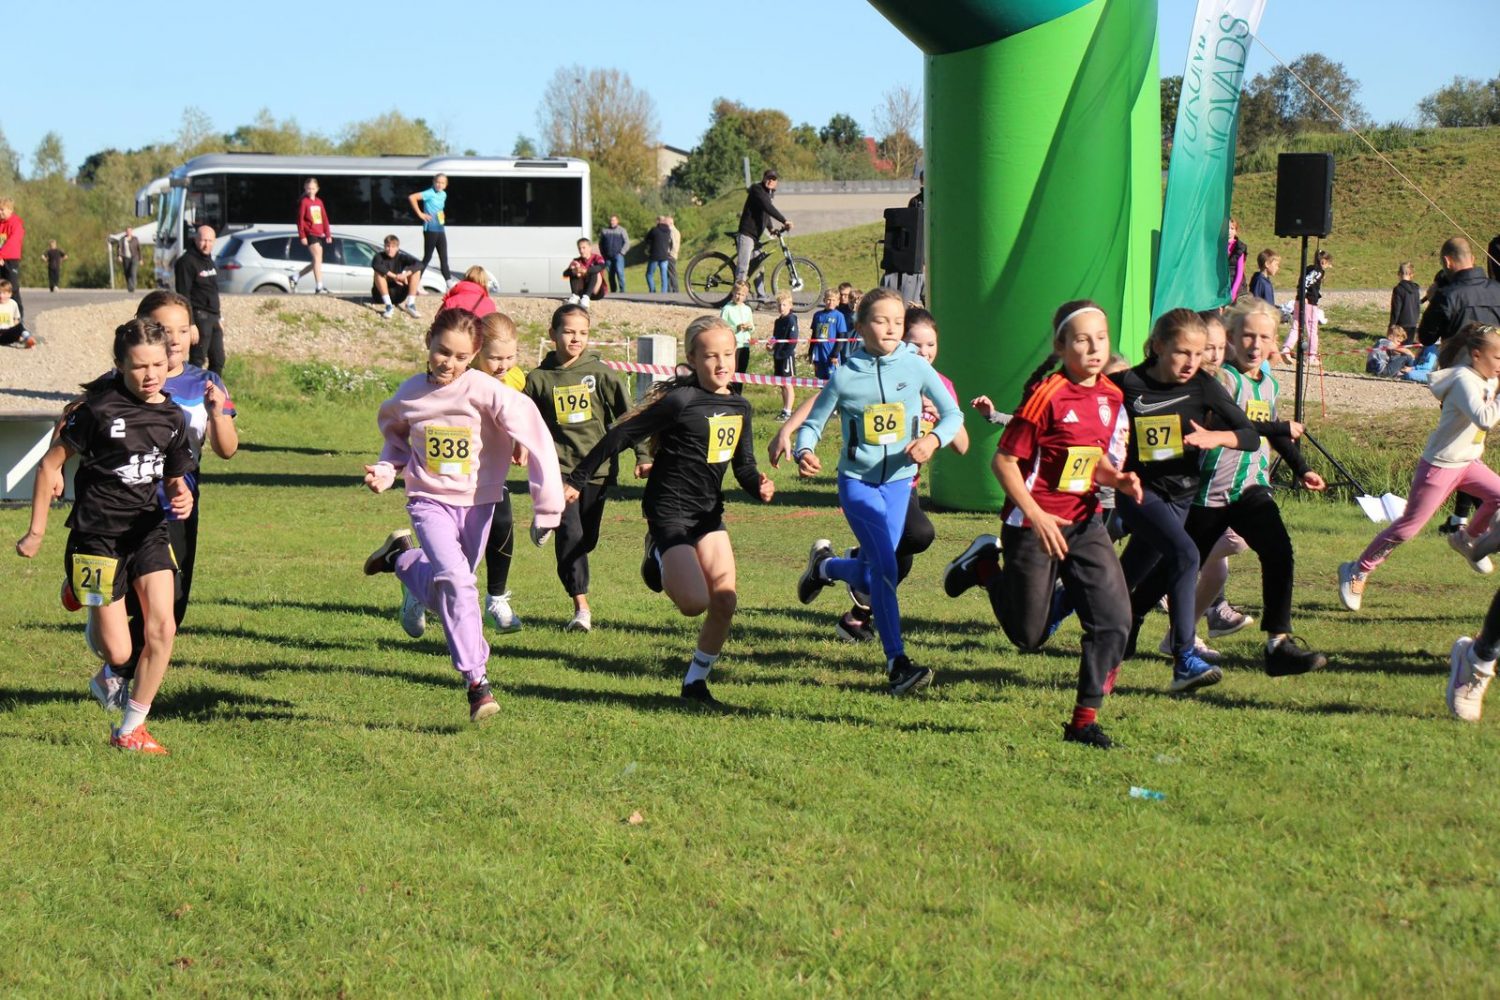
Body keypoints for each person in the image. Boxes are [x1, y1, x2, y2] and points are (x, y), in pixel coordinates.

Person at [942, 301, 1139, 747]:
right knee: (1029, 635)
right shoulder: (1047, 395)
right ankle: (985, 567)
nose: (1094, 348)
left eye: (1101, 338)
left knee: (1114, 620)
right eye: (1082, 340)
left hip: (1085, 521)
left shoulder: (1111, 397)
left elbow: (1092, 461)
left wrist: (1118, 479)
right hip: (1031, 523)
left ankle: (1083, 723)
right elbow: (1004, 462)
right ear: (1061, 346)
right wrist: (1035, 514)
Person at [362, 309, 563, 722]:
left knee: (455, 591)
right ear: (428, 343)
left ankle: (401, 559)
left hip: (477, 503)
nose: (448, 363)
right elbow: (395, 441)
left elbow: (535, 433)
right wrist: (385, 469)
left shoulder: (487, 391)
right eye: (442, 352)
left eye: (459, 356)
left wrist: (547, 507)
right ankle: (477, 684)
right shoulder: (409, 394)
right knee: (458, 582)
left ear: (473, 356)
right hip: (427, 501)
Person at [564, 315, 776, 705]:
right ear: (692, 359)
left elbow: (743, 465)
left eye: (728, 354)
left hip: (707, 514)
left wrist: (757, 484)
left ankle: (695, 683)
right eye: (711, 356)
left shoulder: (741, 406)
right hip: (669, 511)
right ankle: (656, 553)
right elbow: (621, 433)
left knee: (725, 600)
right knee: (694, 603)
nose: (721, 363)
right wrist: (578, 479)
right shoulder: (682, 401)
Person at [15, 318, 194, 753]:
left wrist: (181, 494)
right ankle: (80, 589)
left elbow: (173, 478)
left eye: (158, 365)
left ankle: (131, 728)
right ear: (119, 365)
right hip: (96, 538)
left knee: (163, 628)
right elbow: (49, 464)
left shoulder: (173, 417)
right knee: (118, 653)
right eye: (139, 366)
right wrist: (36, 532)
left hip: (147, 530)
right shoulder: (98, 410)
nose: (150, 375)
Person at [1132, 300, 1329, 676]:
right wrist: (1278, 427)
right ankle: (1132, 616)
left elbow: (1273, 431)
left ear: (1274, 342)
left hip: (1250, 488)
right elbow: (1236, 425)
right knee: (1179, 564)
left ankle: (1278, 645)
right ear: (1232, 338)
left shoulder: (1268, 384)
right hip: (1209, 492)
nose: (1256, 344)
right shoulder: (1221, 380)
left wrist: (1302, 468)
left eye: (1265, 337)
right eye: (1248, 336)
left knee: (1279, 550)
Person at [791, 287, 962, 695]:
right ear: (861, 325)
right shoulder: (846, 375)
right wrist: (804, 449)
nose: (891, 329)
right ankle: (897, 663)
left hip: (900, 484)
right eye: (881, 321)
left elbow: (953, 415)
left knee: (876, 571)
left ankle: (824, 567)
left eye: (897, 322)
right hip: (859, 484)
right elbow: (813, 423)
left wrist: (933, 439)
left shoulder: (916, 367)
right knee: (885, 567)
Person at [90, 290, 239, 708]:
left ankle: (113, 670)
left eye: (181, 329)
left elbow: (228, 449)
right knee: (138, 601)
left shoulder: (207, 383)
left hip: (177, 507)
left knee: (173, 606)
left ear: (193, 333)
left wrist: (216, 413)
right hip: (119, 507)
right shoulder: (119, 380)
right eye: (162, 329)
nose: (173, 338)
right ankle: (116, 666)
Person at [1111, 308, 1260, 693]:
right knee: (1187, 555)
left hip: (1181, 498)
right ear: (1159, 346)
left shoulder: (1203, 385)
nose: (1192, 362)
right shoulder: (1126, 383)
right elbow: (1073, 401)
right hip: (1138, 492)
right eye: (1182, 353)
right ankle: (1183, 656)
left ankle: (1062, 609)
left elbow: (1249, 435)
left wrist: (1216, 437)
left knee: (1127, 576)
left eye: (1198, 353)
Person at [1339, 323, 1500, 612]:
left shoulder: (1488, 377)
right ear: (1476, 355)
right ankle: (1357, 569)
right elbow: (1484, 419)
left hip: (1468, 463)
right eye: (1498, 357)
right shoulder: (1463, 379)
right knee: (1407, 529)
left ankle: (1467, 538)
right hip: (1441, 466)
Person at [523, 303, 642, 632]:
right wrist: (518, 446)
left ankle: (547, 520)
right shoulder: (538, 379)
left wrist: (643, 455)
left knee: (585, 540)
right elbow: (521, 419)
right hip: (557, 469)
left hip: (596, 470)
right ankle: (581, 608)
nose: (576, 339)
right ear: (552, 334)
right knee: (571, 535)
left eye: (583, 333)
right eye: (569, 332)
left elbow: (630, 418)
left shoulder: (602, 374)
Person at [472, 312, 528, 633]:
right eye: (495, 358)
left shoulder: (516, 378)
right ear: (477, 350)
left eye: (510, 356)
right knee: (458, 538)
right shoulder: (463, 377)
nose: (503, 365)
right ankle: (418, 581)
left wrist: (520, 442)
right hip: (457, 472)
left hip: (492, 470)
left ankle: (496, 599)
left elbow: (519, 413)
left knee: (503, 521)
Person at [1417, 238, 1500, 351]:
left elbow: (1426, 337)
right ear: (1472, 259)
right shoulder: (1497, 289)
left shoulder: (1446, 296)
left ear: (1447, 261)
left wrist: (1433, 301)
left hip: (1458, 360)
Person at [174, 224, 226, 374]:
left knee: (218, 360)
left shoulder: (209, 260)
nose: (206, 244)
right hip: (199, 316)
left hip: (213, 317)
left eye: (210, 241)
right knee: (198, 359)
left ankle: (212, 387)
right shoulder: (186, 262)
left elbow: (212, 291)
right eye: (203, 240)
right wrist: (190, 323)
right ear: (196, 240)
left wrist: (219, 317)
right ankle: (193, 388)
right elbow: (183, 296)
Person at [735, 170, 791, 287]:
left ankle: (761, 296)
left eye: (773, 179)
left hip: (755, 237)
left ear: (776, 182)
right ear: (764, 178)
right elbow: (767, 207)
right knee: (743, 268)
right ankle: (737, 296)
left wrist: (770, 228)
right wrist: (784, 220)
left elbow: (765, 212)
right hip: (747, 233)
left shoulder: (768, 193)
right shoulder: (757, 189)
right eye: (768, 178)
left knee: (759, 268)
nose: (770, 181)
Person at [1281, 249, 1331, 363]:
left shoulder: (1308, 268)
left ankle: (1286, 349)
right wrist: (1305, 295)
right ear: (1323, 261)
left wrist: (1300, 294)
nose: (1328, 267)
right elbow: (1306, 282)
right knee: (1312, 330)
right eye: (1328, 264)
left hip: (1298, 300)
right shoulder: (1318, 272)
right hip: (1309, 303)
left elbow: (1301, 281)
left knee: (1296, 326)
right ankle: (1311, 356)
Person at [407, 173, 451, 285]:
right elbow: (412, 197)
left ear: (446, 185)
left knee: (444, 257)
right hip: (430, 229)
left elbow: (439, 208)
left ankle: (449, 282)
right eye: (437, 182)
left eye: (442, 183)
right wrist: (420, 214)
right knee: (427, 257)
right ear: (433, 182)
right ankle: (415, 282)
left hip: (440, 228)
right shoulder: (429, 193)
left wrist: (441, 215)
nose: (439, 185)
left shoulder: (443, 194)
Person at [292, 178, 333, 294]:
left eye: (313, 188)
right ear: (305, 189)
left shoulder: (319, 202)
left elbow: (324, 218)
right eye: (308, 188)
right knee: (317, 259)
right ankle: (319, 285)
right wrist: (302, 236)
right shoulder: (304, 202)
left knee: (317, 260)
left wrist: (328, 234)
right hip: (310, 233)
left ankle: (296, 276)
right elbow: (300, 220)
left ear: (317, 189)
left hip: (319, 233)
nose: (311, 191)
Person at [371, 234, 423, 319]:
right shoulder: (379, 256)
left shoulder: (402, 257)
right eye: (387, 246)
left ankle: (410, 304)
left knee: (416, 271)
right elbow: (376, 265)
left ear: (397, 248)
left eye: (393, 247)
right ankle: (388, 306)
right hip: (380, 297)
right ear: (384, 247)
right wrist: (395, 276)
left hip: (399, 295)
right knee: (378, 273)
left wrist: (405, 275)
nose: (390, 249)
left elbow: (419, 264)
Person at [720, 280, 754, 396]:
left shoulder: (747, 309)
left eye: (742, 295)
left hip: (745, 345)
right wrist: (736, 328)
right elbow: (722, 328)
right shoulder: (727, 309)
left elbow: (752, 327)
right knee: (732, 371)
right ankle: (729, 394)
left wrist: (749, 327)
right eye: (737, 294)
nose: (739, 297)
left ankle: (738, 395)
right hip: (733, 346)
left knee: (742, 372)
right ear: (733, 293)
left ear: (746, 295)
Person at [768, 289, 798, 419]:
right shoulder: (778, 321)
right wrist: (771, 345)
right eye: (779, 305)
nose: (781, 307)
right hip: (777, 355)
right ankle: (784, 409)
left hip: (786, 356)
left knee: (787, 383)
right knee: (781, 383)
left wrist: (785, 354)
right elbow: (775, 337)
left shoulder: (791, 320)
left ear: (790, 305)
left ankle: (788, 411)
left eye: (784, 305)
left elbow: (793, 340)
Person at [808, 288, 846, 381]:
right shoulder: (817, 315)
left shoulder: (839, 316)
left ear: (838, 302)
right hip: (819, 355)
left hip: (831, 355)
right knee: (820, 381)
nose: (831, 302)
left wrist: (835, 354)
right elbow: (814, 335)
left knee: (832, 382)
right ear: (824, 300)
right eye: (828, 299)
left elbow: (841, 337)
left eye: (833, 300)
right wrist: (810, 352)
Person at [0, 198, 26, 320]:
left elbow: (12, 242)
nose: (0, 212)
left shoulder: (16, 224)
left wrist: (1, 255)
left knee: (12, 288)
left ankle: (18, 320)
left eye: (2, 209)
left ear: (10, 210)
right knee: (1, 290)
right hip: (0, 258)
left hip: (10, 260)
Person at [563, 238, 607, 307]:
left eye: (584, 248)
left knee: (594, 270)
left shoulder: (597, 258)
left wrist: (585, 270)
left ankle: (586, 297)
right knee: (575, 271)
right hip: (582, 291)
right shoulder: (577, 260)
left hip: (596, 291)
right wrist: (571, 270)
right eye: (579, 248)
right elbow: (565, 275)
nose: (581, 251)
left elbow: (602, 266)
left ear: (589, 248)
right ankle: (575, 296)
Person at [1390, 261, 1422, 341]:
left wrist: (1392, 324)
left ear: (1399, 273)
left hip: (1402, 323)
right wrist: (1416, 320)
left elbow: (1396, 309)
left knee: (1399, 344)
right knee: (1409, 344)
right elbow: (1417, 305)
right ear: (1412, 274)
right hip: (1413, 322)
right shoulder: (1416, 289)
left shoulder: (1398, 289)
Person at [598, 214, 629, 294]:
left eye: (614, 220)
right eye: (611, 220)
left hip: (618, 255)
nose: (612, 222)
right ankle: (613, 291)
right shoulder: (604, 231)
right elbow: (600, 243)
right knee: (611, 275)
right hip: (607, 256)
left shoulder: (622, 230)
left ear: (617, 221)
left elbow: (627, 242)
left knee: (620, 272)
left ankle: (622, 291)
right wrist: (603, 253)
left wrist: (622, 252)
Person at [0, 277, 34, 348]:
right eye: (0, 293)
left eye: (4, 293)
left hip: (9, 331)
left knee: (20, 326)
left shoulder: (13, 304)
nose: (1, 296)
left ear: (10, 294)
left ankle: (27, 338)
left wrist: (15, 327)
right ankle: (20, 339)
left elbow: (16, 319)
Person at [643, 216, 672, 294]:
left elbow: (646, 238)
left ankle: (653, 290)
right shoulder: (668, 231)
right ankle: (664, 293)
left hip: (654, 256)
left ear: (658, 221)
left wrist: (650, 244)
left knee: (649, 274)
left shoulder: (654, 230)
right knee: (664, 276)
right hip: (665, 256)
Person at [1226, 218, 1248, 303]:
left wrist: (1233, 293)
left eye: (1232, 228)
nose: (1229, 231)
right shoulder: (1218, 246)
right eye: (1227, 228)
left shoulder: (1240, 247)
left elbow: (1239, 273)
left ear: (1236, 231)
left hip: (1237, 288)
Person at [117, 227, 140, 293]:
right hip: (125, 258)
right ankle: (129, 286)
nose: (129, 232)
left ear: (131, 232)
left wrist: (140, 259)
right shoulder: (122, 239)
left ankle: (133, 286)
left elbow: (139, 249)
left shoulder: (135, 239)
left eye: (130, 231)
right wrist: (119, 256)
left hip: (134, 257)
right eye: (127, 231)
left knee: (133, 272)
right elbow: (119, 248)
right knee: (127, 272)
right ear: (126, 232)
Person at [665, 215, 682, 293]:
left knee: (672, 274)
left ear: (670, 223)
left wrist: (670, 254)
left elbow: (675, 245)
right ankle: (670, 290)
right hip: (671, 256)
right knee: (669, 274)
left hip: (671, 256)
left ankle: (675, 290)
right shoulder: (672, 231)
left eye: (666, 222)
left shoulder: (673, 232)